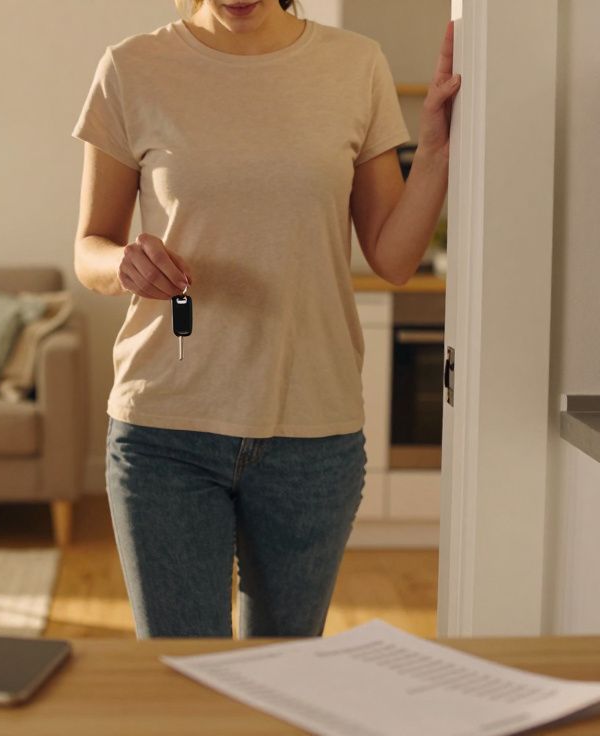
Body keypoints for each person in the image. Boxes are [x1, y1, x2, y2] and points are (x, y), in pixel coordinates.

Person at [71, 0, 458, 639]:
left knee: (283, 673)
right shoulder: (131, 68)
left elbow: (392, 258)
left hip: (313, 434)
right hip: (166, 430)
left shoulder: (355, 65)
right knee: (183, 676)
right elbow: (91, 248)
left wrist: (438, 151)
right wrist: (125, 265)